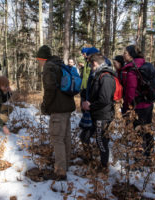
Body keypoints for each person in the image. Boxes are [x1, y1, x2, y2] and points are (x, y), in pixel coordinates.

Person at [37, 45, 76, 181]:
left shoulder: (49, 67)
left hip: (58, 109)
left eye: (38, 60)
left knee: (57, 139)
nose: (38, 62)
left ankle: (60, 171)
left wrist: (45, 105)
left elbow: (50, 89)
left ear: (41, 58)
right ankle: (66, 165)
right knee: (65, 137)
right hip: (66, 107)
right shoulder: (59, 64)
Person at [82, 53, 116, 170]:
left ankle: (104, 166)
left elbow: (105, 99)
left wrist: (90, 105)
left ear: (95, 63)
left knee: (101, 141)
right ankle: (89, 159)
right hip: (95, 113)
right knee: (85, 136)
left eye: (91, 65)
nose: (90, 68)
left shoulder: (106, 77)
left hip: (103, 114)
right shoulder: (98, 74)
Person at [120, 45, 154, 158]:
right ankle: (149, 155)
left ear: (130, 55)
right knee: (147, 130)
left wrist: (126, 108)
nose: (123, 55)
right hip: (148, 103)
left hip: (137, 106)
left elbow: (130, 91)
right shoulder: (144, 65)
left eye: (125, 53)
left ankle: (139, 159)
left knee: (138, 132)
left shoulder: (132, 69)